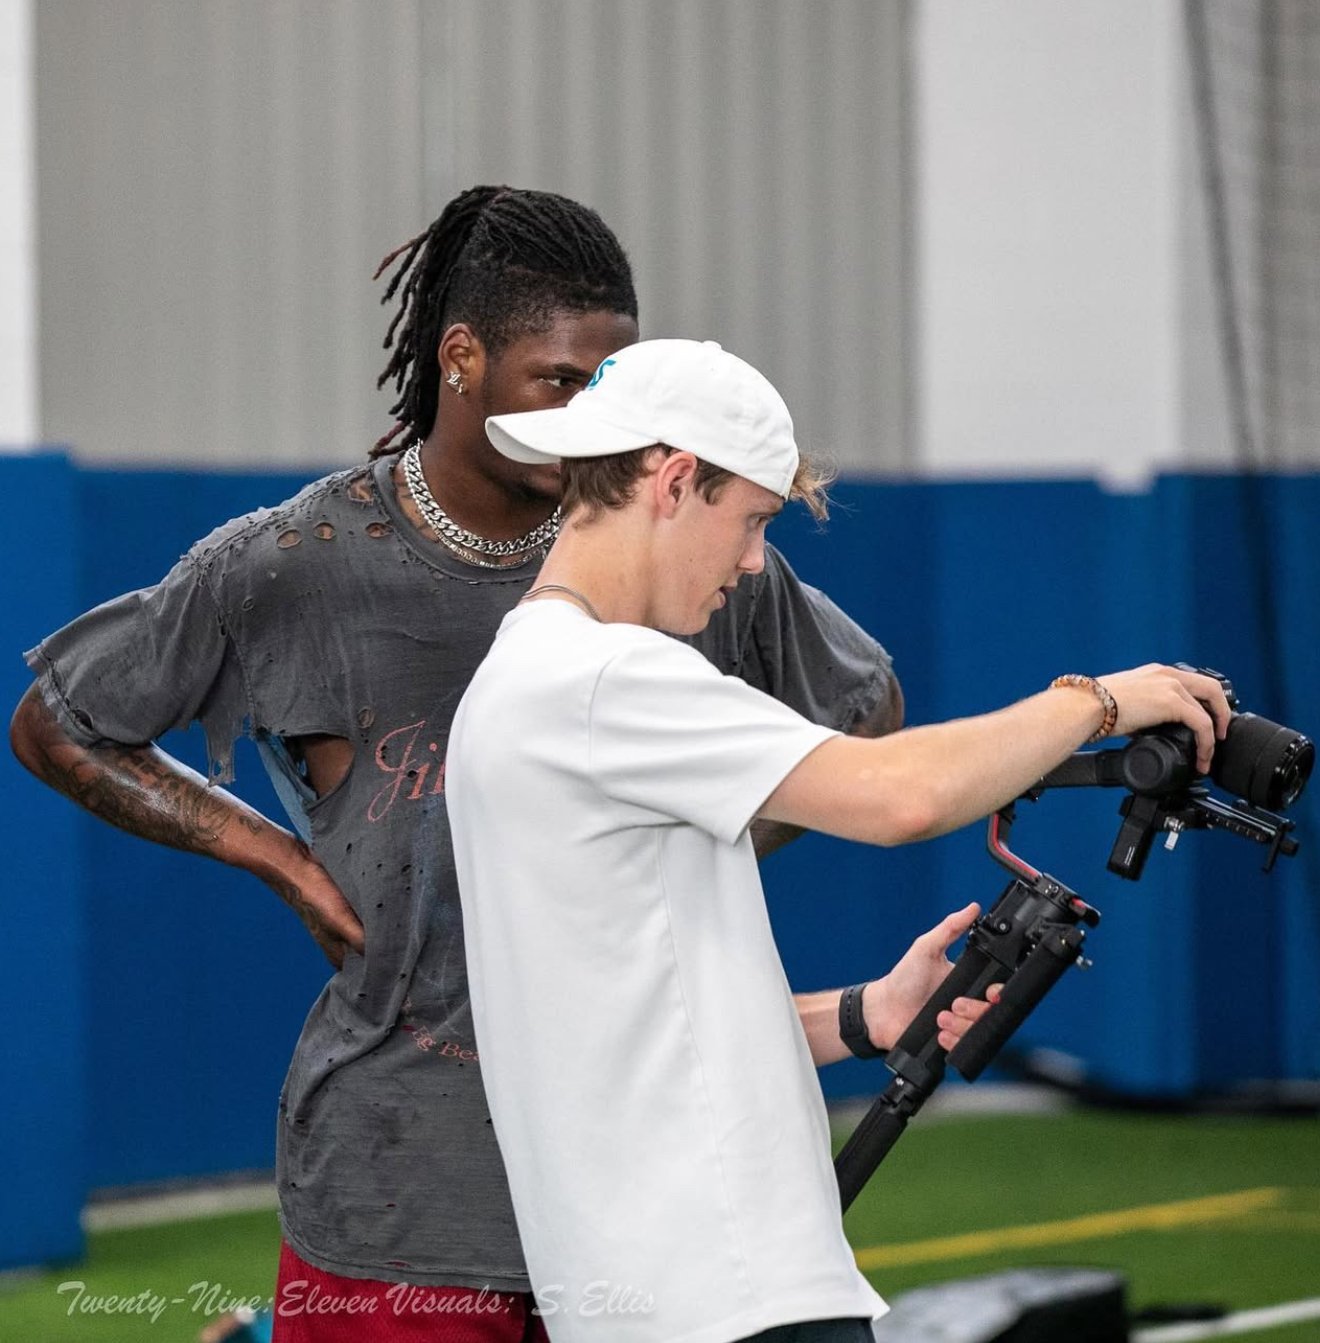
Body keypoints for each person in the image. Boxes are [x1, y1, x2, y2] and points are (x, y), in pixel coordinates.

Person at [10, 187, 945, 1342]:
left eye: (611, 388)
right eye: (561, 382)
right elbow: (59, 722)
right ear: (460, 358)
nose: (594, 419)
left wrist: (687, 834)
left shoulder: (679, 553)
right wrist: (281, 861)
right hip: (396, 1187)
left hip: (636, 1211)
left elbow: (866, 708)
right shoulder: (289, 562)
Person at [446, 338, 1232, 1343]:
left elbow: (623, 1023)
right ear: (674, 480)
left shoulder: (517, 685)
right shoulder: (602, 680)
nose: (751, 563)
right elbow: (902, 794)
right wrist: (1103, 699)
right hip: (730, 1299)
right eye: (753, 520)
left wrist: (864, 1015)